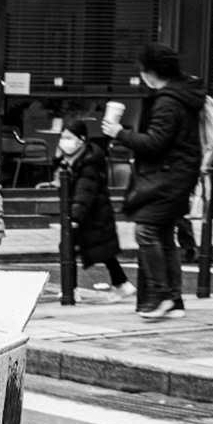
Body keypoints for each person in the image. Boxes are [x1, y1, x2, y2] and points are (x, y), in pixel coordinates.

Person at [105, 42, 206, 322]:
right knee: (163, 236)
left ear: (151, 73)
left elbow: (155, 142)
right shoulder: (184, 94)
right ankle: (174, 300)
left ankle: (162, 294)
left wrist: (119, 133)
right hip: (179, 175)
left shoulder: (167, 101)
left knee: (146, 232)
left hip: (166, 177)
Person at [56, 121, 131, 298]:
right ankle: (121, 284)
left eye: (68, 137)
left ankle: (70, 289)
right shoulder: (72, 159)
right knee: (102, 250)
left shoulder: (88, 162)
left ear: (81, 140)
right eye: (62, 136)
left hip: (91, 214)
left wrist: (74, 218)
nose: (63, 141)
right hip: (91, 213)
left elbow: (85, 191)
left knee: (70, 248)